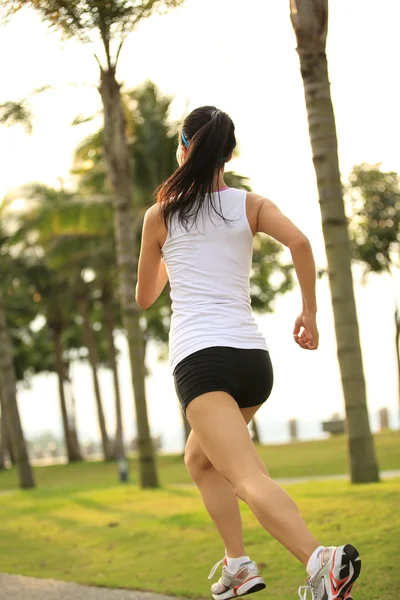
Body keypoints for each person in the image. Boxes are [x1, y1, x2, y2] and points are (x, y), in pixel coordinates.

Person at [136, 106, 361, 600]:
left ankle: (320, 562)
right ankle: (238, 564)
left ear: (184, 147)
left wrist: (174, 255)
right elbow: (300, 242)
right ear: (229, 154)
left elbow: (144, 297)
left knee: (242, 474)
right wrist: (309, 313)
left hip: (202, 360)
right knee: (201, 460)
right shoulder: (250, 203)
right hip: (253, 363)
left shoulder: (162, 214)